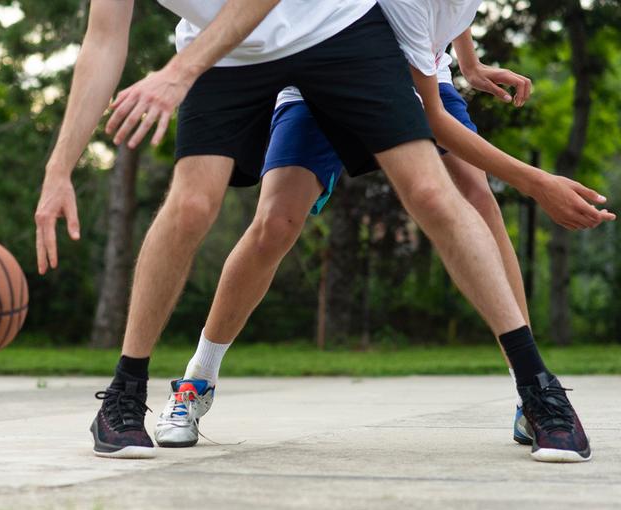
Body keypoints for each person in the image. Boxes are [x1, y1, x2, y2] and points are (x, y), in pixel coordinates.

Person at [35, 0, 611, 461]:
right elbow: (103, 41)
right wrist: (60, 168)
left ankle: (538, 389)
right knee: (194, 207)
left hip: (335, 29)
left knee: (434, 191)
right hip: (226, 54)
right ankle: (127, 394)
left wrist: (178, 73)